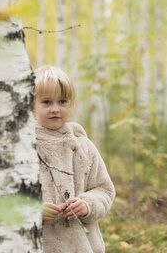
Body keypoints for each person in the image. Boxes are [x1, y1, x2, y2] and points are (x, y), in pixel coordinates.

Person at [34, 65, 115, 253]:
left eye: (62, 101)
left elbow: (104, 190)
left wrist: (87, 205)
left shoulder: (83, 146)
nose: (55, 109)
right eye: (46, 102)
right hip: (38, 245)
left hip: (81, 246)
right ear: (32, 104)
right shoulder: (23, 146)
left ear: (71, 104)